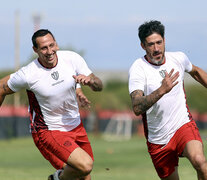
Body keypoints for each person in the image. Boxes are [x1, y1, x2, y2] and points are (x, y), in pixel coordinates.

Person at [0, 29, 103, 180]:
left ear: (57, 45)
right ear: (35, 50)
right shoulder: (29, 74)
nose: (49, 51)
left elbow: (98, 86)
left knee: (84, 174)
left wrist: (91, 82)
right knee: (85, 166)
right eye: (43, 48)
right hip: (48, 130)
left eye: (51, 45)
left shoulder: (72, 58)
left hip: (76, 126)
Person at [128, 20, 207, 180]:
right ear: (143, 46)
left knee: (200, 161)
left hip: (182, 125)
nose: (156, 48)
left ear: (165, 41)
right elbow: (137, 107)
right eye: (151, 44)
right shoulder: (138, 68)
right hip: (158, 138)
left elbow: (196, 72)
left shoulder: (178, 58)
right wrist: (161, 90)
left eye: (159, 42)